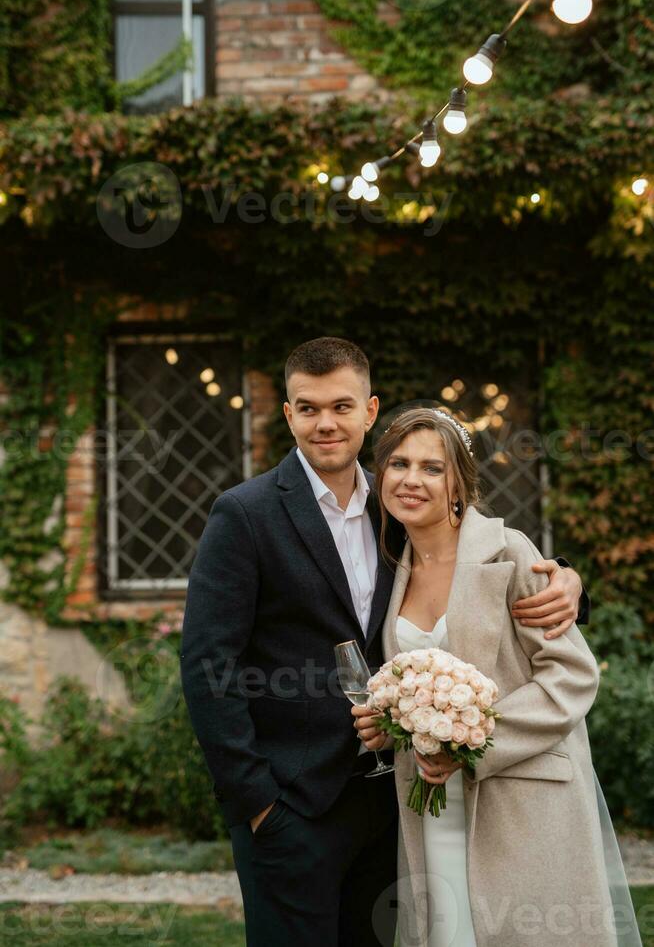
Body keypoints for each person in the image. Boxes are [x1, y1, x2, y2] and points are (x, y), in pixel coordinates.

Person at [180, 338, 589, 947]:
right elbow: (208, 662)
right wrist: (256, 802)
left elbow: (478, 572)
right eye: (308, 407)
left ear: (369, 413)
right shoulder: (245, 514)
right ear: (288, 414)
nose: (326, 423)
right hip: (292, 809)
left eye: (341, 406)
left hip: (391, 810)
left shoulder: (394, 510)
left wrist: (573, 582)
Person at [353, 407, 641, 947]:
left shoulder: (508, 554)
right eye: (398, 464)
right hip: (431, 804)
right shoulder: (393, 565)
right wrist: (389, 723)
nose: (411, 480)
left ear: (460, 482)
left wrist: (469, 745)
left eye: (432, 468)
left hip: (521, 801)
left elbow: (571, 676)